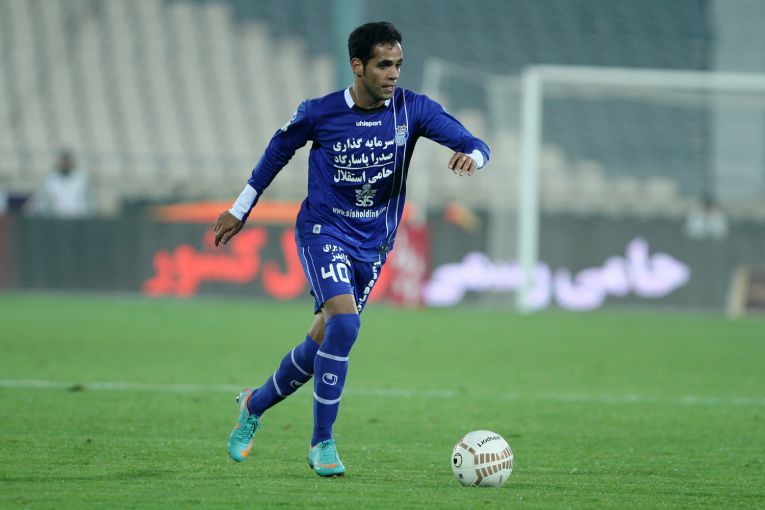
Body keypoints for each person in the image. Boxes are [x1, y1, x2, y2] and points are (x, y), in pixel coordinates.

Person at [214, 21, 490, 477]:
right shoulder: (319, 112)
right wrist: (240, 209)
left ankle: (254, 404)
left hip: (373, 244)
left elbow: (476, 144)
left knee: (324, 340)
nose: (393, 74)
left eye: (398, 64)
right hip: (323, 231)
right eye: (384, 65)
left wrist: (473, 158)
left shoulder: (413, 110)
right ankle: (321, 443)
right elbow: (276, 153)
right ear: (358, 66)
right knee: (345, 323)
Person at [25, 150, 92, 219]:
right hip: (57, 218)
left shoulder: (81, 178)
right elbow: (45, 200)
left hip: (78, 217)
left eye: (67, 162)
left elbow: (87, 200)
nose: (65, 164)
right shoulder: (51, 179)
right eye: (63, 162)